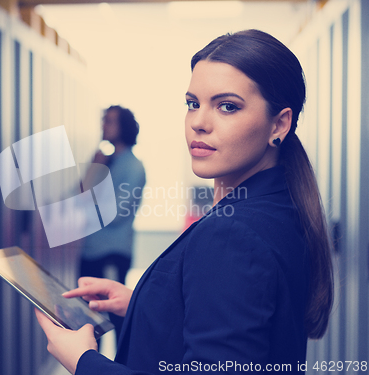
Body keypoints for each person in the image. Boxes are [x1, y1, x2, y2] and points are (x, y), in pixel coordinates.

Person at [35, 29, 334, 375]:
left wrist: (83, 361)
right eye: (193, 104)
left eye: (227, 106)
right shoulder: (280, 205)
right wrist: (144, 304)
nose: (198, 123)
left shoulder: (231, 234)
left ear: (279, 124)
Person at [79, 105, 146, 346]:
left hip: (113, 252)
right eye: (103, 120)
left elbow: (116, 214)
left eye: (110, 121)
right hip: (91, 249)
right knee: (87, 316)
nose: (104, 126)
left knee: (116, 317)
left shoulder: (134, 167)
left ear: (123, 127)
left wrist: (92, 193)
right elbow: (82, 196)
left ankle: (120, 367)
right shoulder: (105, 161)